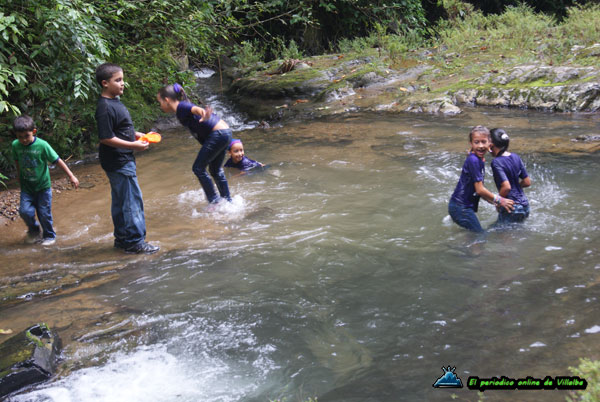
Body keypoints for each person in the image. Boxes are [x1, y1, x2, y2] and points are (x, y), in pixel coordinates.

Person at [95, 62, 159, 254]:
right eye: (118, 80)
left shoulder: (115, 102)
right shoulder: (105, 107)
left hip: (119, 160)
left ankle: (122, 239)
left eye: (123, 79)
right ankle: (135, 241)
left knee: (121, 200)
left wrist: (137, 135)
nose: (123, 84)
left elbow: (121, 129)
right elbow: (106, 137)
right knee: (132, 201)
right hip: (119, 160)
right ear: (105, 83)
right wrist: (133, 145)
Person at [157, 83, 232, 205]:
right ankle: (227, 201)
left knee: (198, 168)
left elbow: (196, 109)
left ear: (167, 100)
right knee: (215, 170)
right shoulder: (182, 108)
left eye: (159, 102)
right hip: (225, 133)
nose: (160, 106)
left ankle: (214, 202)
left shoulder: (182, 106)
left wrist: (204, 114)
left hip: (218, 134)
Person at [11, 115, 79, 245]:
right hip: (27, 187)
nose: (24, 140)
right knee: (25, 211)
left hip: (43, 187)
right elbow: (16, 161)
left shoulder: (42, 145)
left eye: (27, 136)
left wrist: (71, 175)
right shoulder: (15, 145)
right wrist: (19, 176)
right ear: (16, 135)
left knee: (44, 214)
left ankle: (49, 236)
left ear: (34, 132)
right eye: (20, 137)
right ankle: (34, 230)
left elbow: (57, 160)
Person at [448, 125, 514, 233]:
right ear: (471, 144)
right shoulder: (474, 161)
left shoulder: (478, 160)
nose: (481, 146)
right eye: (476, 142)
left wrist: (494, 203)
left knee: (473, 234)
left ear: (490, 144)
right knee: (480, 236)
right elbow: (479, 189)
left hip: (459, 207)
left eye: (484, 142)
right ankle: (453, 248)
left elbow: (478, 191)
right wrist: (500, 200)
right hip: (461, 208)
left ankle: (461, 245)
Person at [489, 128, 531, 225]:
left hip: (511, 207)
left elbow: (506, 187)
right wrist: (516, 188)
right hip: (525, 206)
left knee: (500, 236)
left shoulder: (496, 162)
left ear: (491, 145)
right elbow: (527, 182)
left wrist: (499, 202)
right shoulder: (515, 156)